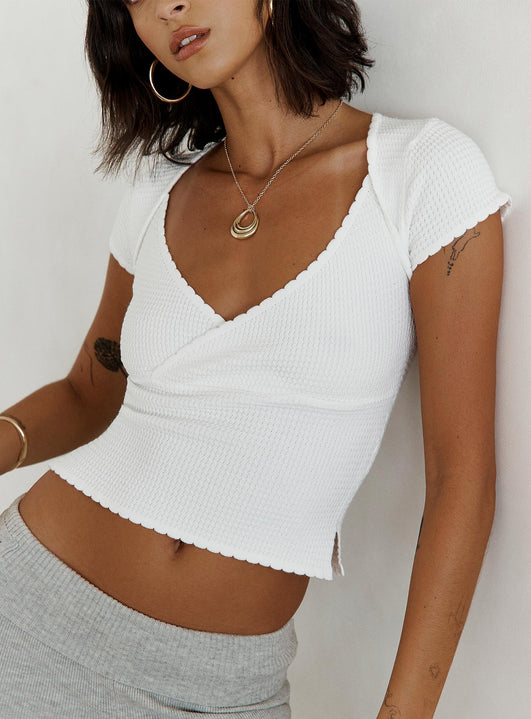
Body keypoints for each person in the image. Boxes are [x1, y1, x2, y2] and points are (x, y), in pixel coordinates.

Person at [0, 0, 513, 717]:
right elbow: (89, 391)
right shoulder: (158, 188)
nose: (167, 6)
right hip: (27, 612)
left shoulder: (421, 172)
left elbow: (462, 479)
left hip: (220, 686)